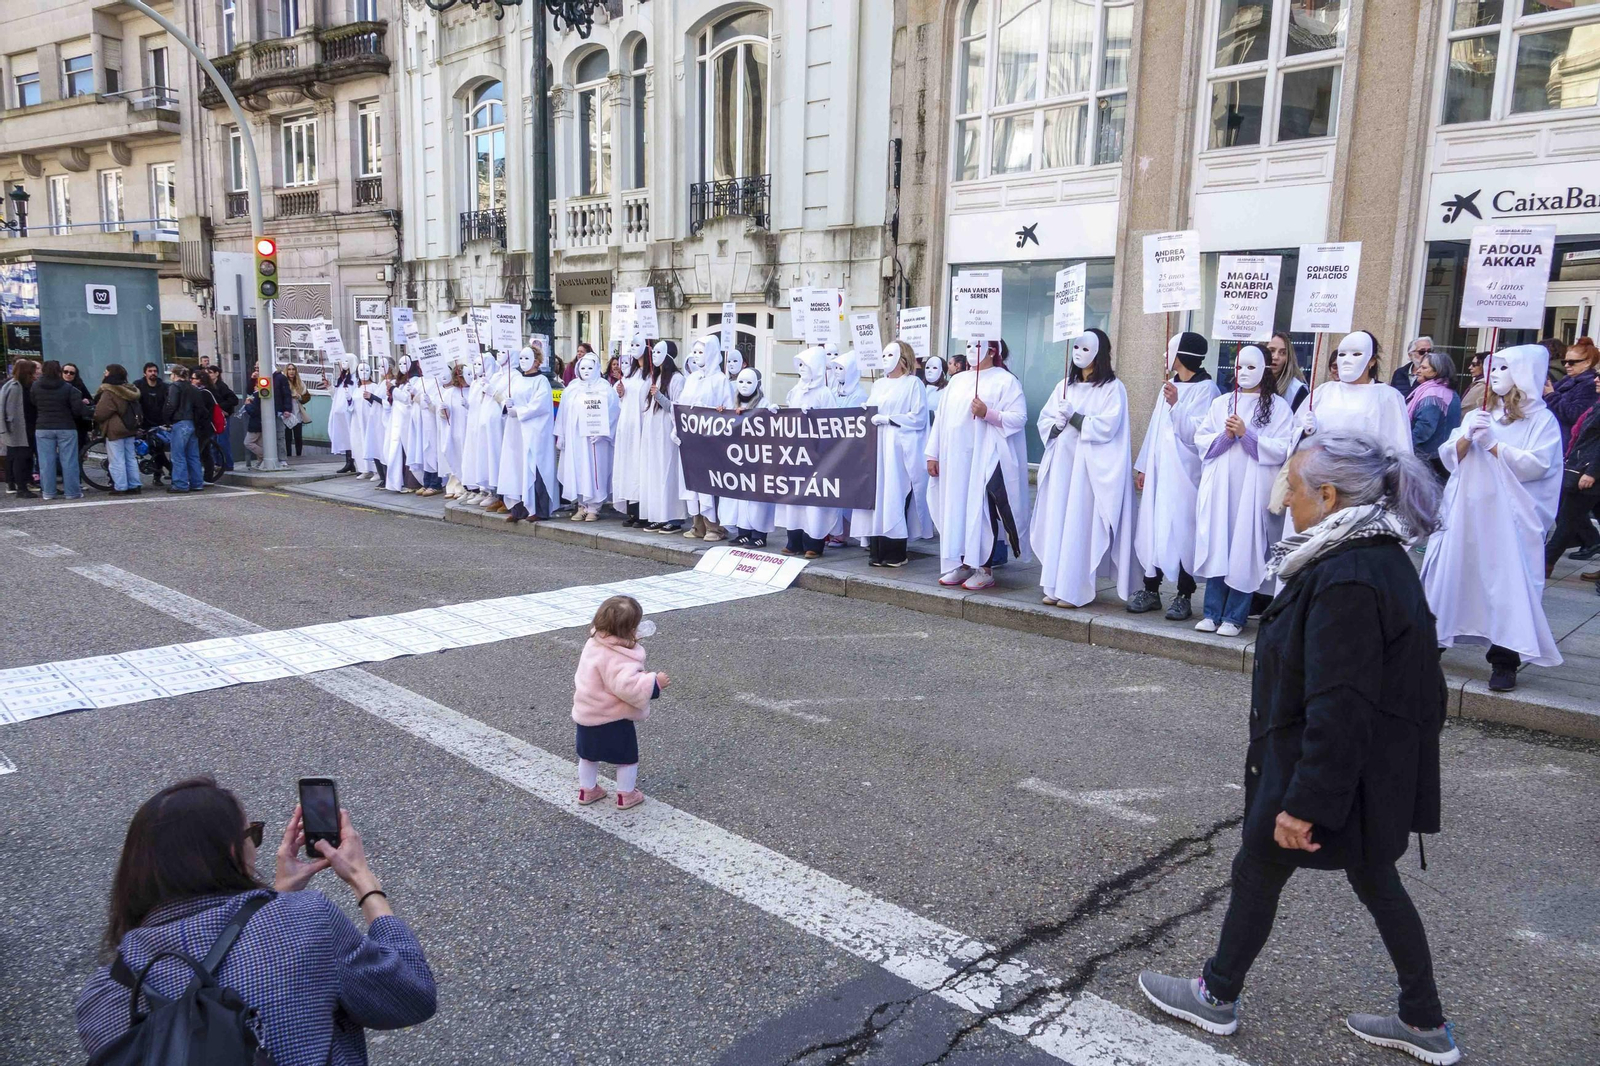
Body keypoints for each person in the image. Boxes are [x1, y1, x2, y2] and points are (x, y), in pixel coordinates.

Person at [1139, 434, 1459, 1066]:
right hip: (1364, 770)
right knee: (1368, 878)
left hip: (1339, 771)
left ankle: (1217, 994)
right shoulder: (1367, 554)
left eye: (1291, 485)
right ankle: (1424, 1021)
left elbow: (1340, 704)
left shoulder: (1347, 575)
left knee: (1263, 863)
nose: (1282, 497)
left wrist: (1305, 802)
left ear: (1328, 496)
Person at [75, 776, 436, 1066]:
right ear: (234, 852)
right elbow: (410, 996)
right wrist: (364, 883)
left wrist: (277, 896)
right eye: (252, 835)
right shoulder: (307, 919)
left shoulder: (104, 994)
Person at [1422, 344, 1564, 692]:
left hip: (1508, 519)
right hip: (1468, 511)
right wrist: (1469, 437)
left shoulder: (1542, 420)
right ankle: (1430, 646)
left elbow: (1539, 466)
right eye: (1493, 368)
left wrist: (1495, 446)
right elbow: (1448, 455)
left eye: (1503, 368)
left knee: (1505, 586)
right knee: (1454, 575)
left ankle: (1504, 660)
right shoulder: (1480, 413)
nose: (1494, 375)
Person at [1192, 346, 1293, 635]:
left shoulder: (1277, 406)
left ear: (1264, 369)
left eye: (1250, 367)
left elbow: (1281, 447)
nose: (1244, 373)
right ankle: (1211, 612)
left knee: (1244, 547)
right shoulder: (1222, 402)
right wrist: (1225, 435)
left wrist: (1246, 434)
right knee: (1218, 542)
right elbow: (1203, 440)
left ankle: (1235, 615)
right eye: (1238, 367)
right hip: (1222, 486)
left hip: (1252, 488)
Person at [1031, 330, 1136, 607]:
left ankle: (1074, 588)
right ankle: (1054, 584)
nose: (1078, 352)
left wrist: (1076, 418)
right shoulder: (1064, 386)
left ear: (1099, 353)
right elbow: (1046, 421)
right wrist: (1057, 423)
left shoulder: (1112, 388)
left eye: (1085, 348)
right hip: (1062, 468)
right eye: (1075, 346)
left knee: (1078, 524)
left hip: (1086, 472)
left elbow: (1108, 426)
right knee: (1057, 523)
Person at [1130, 332, 1219, 620]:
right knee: (1154, 527)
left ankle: (1184, 593)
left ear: (1181, 355)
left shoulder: (1207, 390)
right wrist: (1144, 464)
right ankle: (1150, 588)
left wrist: (1177, 405)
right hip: (1160, 472)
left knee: (1183, 531)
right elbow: (1156, 427)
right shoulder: (1168, 387)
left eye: (1169, 351)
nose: (1165, 357)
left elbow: (1197, 433)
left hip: (1185, 474)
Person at [571, 595, 667, 810]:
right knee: (626, 758)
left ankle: (587, 790)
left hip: (587, 714)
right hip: (611, 718)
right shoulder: (618, 657)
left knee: (588, 756)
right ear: (629, 630)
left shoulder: (594, 643)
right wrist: (654, 683)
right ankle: (626, 794)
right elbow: (627, 686)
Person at [853, 340, 932, 567]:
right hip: (877, 448)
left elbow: (918, 416)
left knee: (895, 496)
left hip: (898, 448)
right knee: (878, 497)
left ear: (903, 359)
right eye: (883, 355)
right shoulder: (878, 384)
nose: (884, 359)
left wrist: (890, 419)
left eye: (890, 355)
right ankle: (876, 549)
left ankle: (895, 551)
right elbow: (871, 409)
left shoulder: (913, 384)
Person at [776, 346, 842, 557]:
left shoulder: (824, 393)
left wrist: (813, 419)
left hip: (815, 454)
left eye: (806, 365)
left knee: (813, 500)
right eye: (800, 365)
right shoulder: (796, 390)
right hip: (795, 453)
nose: (802, 369)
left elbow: (833, 423)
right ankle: (793, 540)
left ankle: (813, 542)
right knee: (794, 498)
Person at [677, 335, 734, 540]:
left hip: (710, 441)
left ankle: (714, 527)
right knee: (693, 482)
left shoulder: (720, 380)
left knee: (709, 483)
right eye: (695, 352)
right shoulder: (692, 379)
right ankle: (697, 524)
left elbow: (727, 408)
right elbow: (682, 405)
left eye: (701, 352)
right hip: (691, 440)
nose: (697, 356)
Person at [556, 350, 618, 520]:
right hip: (576, 438)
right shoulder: (572, 389)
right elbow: (563, 413)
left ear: (597, 368)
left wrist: (604, 433)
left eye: (590, 368)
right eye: (582, 367)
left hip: (595, 440)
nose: (586, 371)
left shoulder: (605, 389)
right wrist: (561, 435)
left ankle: (594, 506)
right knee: (578, 468)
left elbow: (613, 412)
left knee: (595, 469)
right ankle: (582, 504)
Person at [1545, 385, 1600, 570]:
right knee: (1569, 517)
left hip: (1590, 472)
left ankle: (1546, 562)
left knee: (1568, 519)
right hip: (1584, 466)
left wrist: (1592, 472)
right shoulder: (1598, 404)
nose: (1596, 380)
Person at [638, 341, 688, 533]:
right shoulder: (655, 377)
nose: (654, 356)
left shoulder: (676, 379)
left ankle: (674, 517)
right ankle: (659, 514)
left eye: (659, 352)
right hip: (653, 433)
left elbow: (677, 408)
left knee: (668, 473)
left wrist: (659, 396)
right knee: (655, 473)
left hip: (667, 434)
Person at [725, 368, 776, 546]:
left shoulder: (763, 403)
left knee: (757, 499)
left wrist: (772, 413)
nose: (745, 386)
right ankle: (743, 532)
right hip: (738, 458)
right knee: (740, 498)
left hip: (758, 459)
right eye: (741, 382)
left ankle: (759, 534)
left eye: (749, 382)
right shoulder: (733, 402)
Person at [506, 344, 557, 523]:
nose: (523, 362)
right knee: (517, 467)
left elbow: (539, 405)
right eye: (521, 358)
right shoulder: (518, 379)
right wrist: (508, 405)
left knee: (536, 469)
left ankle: (540, 510)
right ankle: (518, 508)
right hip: (518, 432)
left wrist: (519, 411)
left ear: (536, 362)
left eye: (527, 358)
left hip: (535, 432)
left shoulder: (541, 381)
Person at [32, 360, 92, 500]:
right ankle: (72, 492)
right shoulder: (67, 388)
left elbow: (33, 402)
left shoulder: (35, 386)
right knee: (69, 461)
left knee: (46, 462)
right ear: (59, 371)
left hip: (43, 426)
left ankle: (48, 492)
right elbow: (78, 409)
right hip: (66, 426)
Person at [1406, 350, 1461, 479]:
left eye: (1424, 368)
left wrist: (1405, 446)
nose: (1418, 371)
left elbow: (1424, 428)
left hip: (1428, 461)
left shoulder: (1433, 394)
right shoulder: (1448, 391)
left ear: (1436, 372)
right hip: (1441, 459)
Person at [612, 335, 649, 526]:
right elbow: (624, 399)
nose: (634, 348)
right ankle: (632, 510)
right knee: (627, 466)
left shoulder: (651, 374)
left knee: (639, 467)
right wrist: (621, 393)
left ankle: (644, 512)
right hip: (627, 425)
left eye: (638, 344)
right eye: (631, 344)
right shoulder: (630, 373)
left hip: (641, 425)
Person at [94, 364, 144, 495]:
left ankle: (120, 486)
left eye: (106, 371)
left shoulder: (109, 391)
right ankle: (135, 484)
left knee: (116, 459)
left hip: (115, 429)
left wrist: (95, 417)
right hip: (130, 427)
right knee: (130, 457)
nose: (104, 373)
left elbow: (101, 412)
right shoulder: (130, 390)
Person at [161, 365, 207, 493]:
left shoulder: (175, 387)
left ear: (174, 375)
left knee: (178, 455)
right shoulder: (193, 388)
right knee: (193, 455)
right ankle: (197, 483)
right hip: (193, 423)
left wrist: (166, 419)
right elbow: (200, 408)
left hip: (180, 422)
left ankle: (180, 484)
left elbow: (171, 404)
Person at [1548, 336, 1599, 439]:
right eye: (1564, 362)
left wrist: (1551, 396)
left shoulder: (1591, 385)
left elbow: (1574, 415)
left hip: (1567, 439)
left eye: (1572, 362)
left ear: (1587, 363)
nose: (1566, 365)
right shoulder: (1567, 379)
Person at [2, 359, 37, 498]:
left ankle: (20, 485)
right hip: (18, 428)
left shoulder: (13, 384)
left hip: (22, 426)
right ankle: (21, 488)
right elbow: (7, 409)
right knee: (20, 457)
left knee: (19, 456)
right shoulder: (16, 387)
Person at [136, 362, 171, 485]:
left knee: (158, 449)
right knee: (153, 449)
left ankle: (158, 475)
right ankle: (168, 469)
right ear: (145, 373)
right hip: (144, 422)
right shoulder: (138, 386)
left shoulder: (164, 387)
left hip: (160, 423)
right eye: (150, 371)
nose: (153, 373)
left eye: (155, 371)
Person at [1267, 331, 1308, 412]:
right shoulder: (1244, 386)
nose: (1275, 357)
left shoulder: (1297, 390)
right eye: (1271, 350)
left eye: (1283, 353)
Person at [328, 360, 357, 474]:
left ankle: (354, 461)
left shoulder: (354, 379)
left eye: (346, 361)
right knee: (345, 437)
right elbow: (336, 395)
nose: (343, 363)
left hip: (348, 413)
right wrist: (330, 388)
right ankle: (348, 462)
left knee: (351, 436)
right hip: (339, 414)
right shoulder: (342, 378)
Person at [281, 363, 312, 457]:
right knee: (288, 437)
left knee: (298, 436)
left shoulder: (300, 383)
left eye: (293, 369)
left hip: (297, 412)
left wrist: (299, 397)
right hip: (286, 413)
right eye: (289, 369)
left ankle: (299, 455)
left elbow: (307, 397)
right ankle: (289, 456)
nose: (291, 371)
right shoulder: (283, 382)